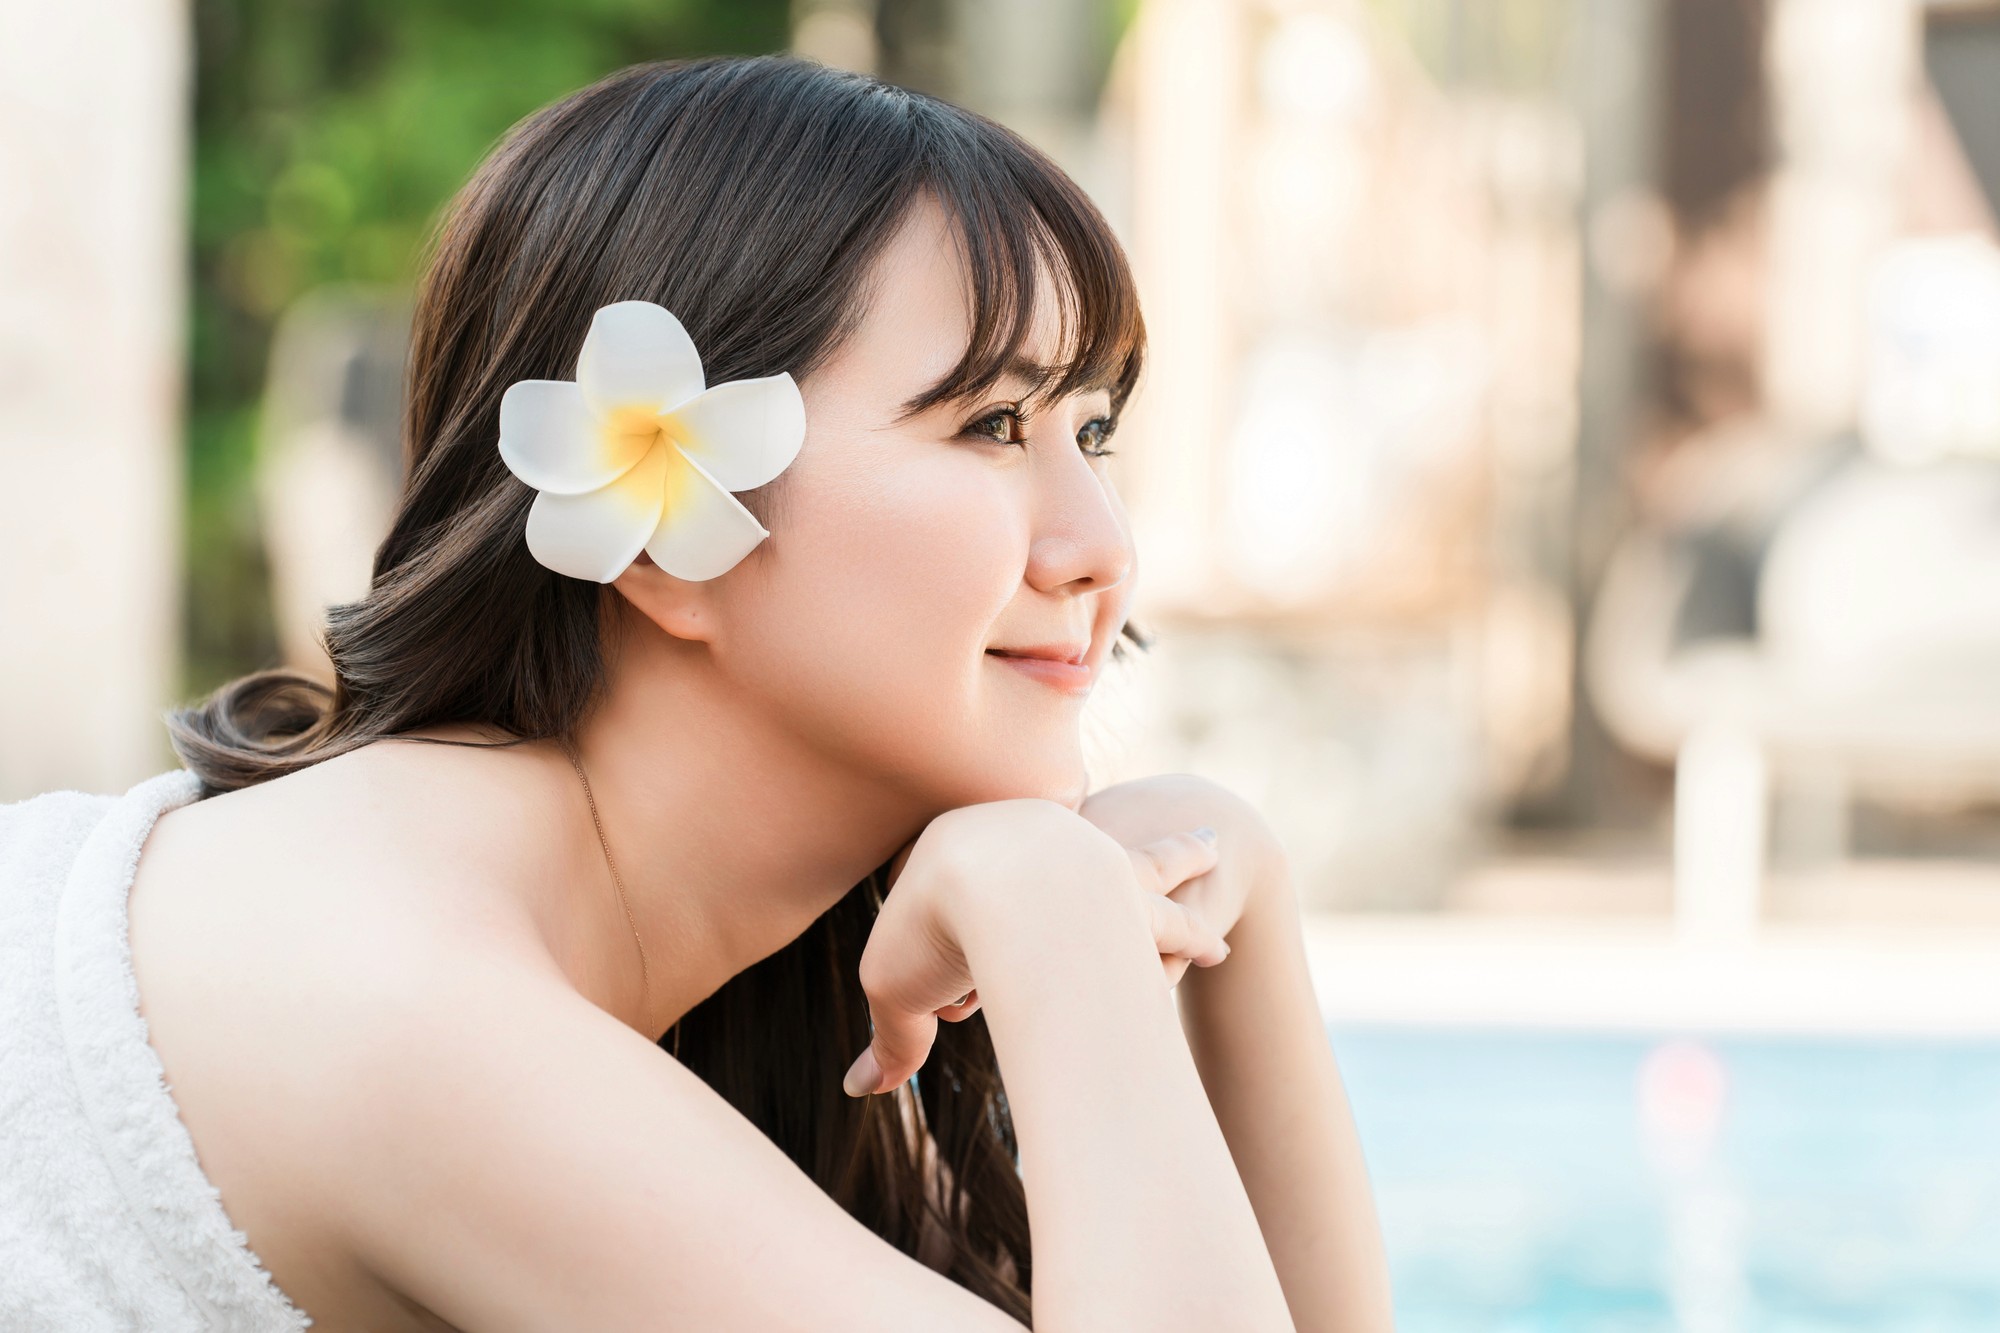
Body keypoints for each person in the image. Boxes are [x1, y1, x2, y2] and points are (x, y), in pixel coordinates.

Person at [0, 55, 1393, 1331]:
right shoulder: (404, 1000)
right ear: (668, 531)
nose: (1102, 547)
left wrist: (1239, 891)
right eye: (993, 424)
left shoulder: (677, 980)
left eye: (1090, 430)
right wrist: (1058, 920)